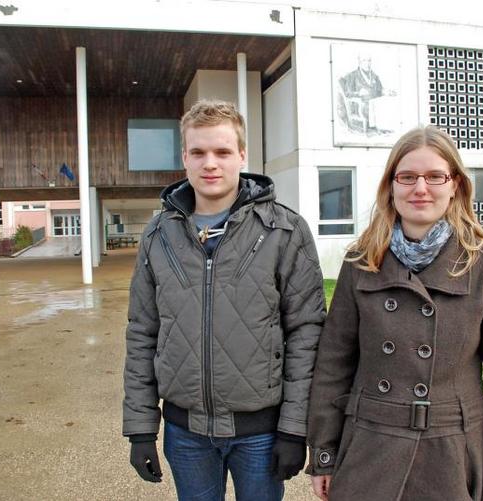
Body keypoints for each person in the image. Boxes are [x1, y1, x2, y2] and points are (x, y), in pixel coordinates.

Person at [306, 126, 483, 500]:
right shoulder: (361, 262)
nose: (420, 188)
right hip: (369, 450)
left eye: (434, 177)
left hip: (450, 456)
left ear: (455, 186)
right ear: (391, 186)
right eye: (408, 177)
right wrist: (324, 453)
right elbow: (334, 363)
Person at [123, 100, 326, 500]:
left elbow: (307, 333)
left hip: (262, 435)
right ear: (184, 157)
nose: (210, 163)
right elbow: (142, 332)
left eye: (222, 152)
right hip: (186, 434)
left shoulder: (285, 231)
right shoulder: (158, 235)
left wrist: (293, 428)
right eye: (198, 152)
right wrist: (141, 427)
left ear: (242, 155)